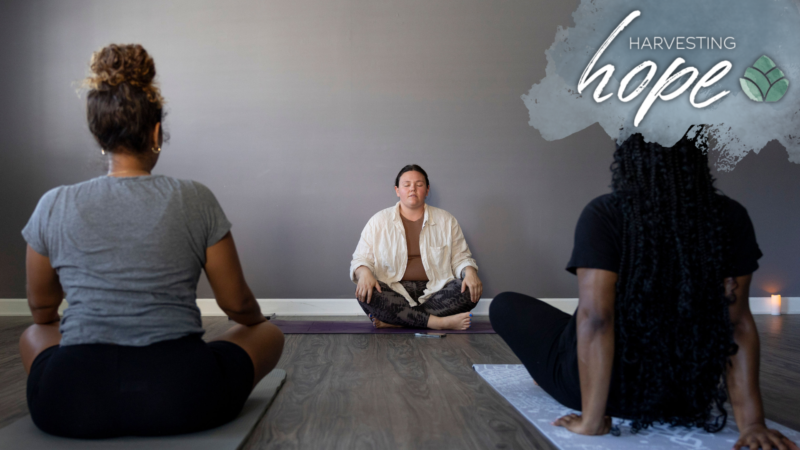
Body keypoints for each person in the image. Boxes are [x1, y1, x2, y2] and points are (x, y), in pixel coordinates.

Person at [18, 44, 284, 439]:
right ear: (156, 132)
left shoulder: (53, 203)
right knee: (269, 334)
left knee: (32, 334)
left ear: (99, 135)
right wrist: (254, 323)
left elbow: (41, 309)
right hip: (184, 396)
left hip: (69, 403)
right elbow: (237, 304)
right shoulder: (194, 197)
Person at [490, 128, 798, 450]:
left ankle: (551, 372)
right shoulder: (729, 216)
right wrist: (751, 424)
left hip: (600, 393)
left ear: (629, 154)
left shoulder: (606, 213)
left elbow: (597, 320)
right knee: (572, 323)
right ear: (696, 151)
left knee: (506, 304)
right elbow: (738, 323)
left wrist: (592, 420)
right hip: (685, 397)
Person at [350, 165, 482, 330]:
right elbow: (360, 259)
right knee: (366, 292)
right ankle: (438, 322)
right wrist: (364, 274)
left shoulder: (446, 220)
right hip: (394, 289)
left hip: (436, 289)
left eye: (419, 185)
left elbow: (461, 257)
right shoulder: (378, 221)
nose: (413, 188)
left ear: (426, 190)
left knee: (470, 289)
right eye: (406, 185)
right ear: (397, 190)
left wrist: (470, 272)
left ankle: (397, 320)